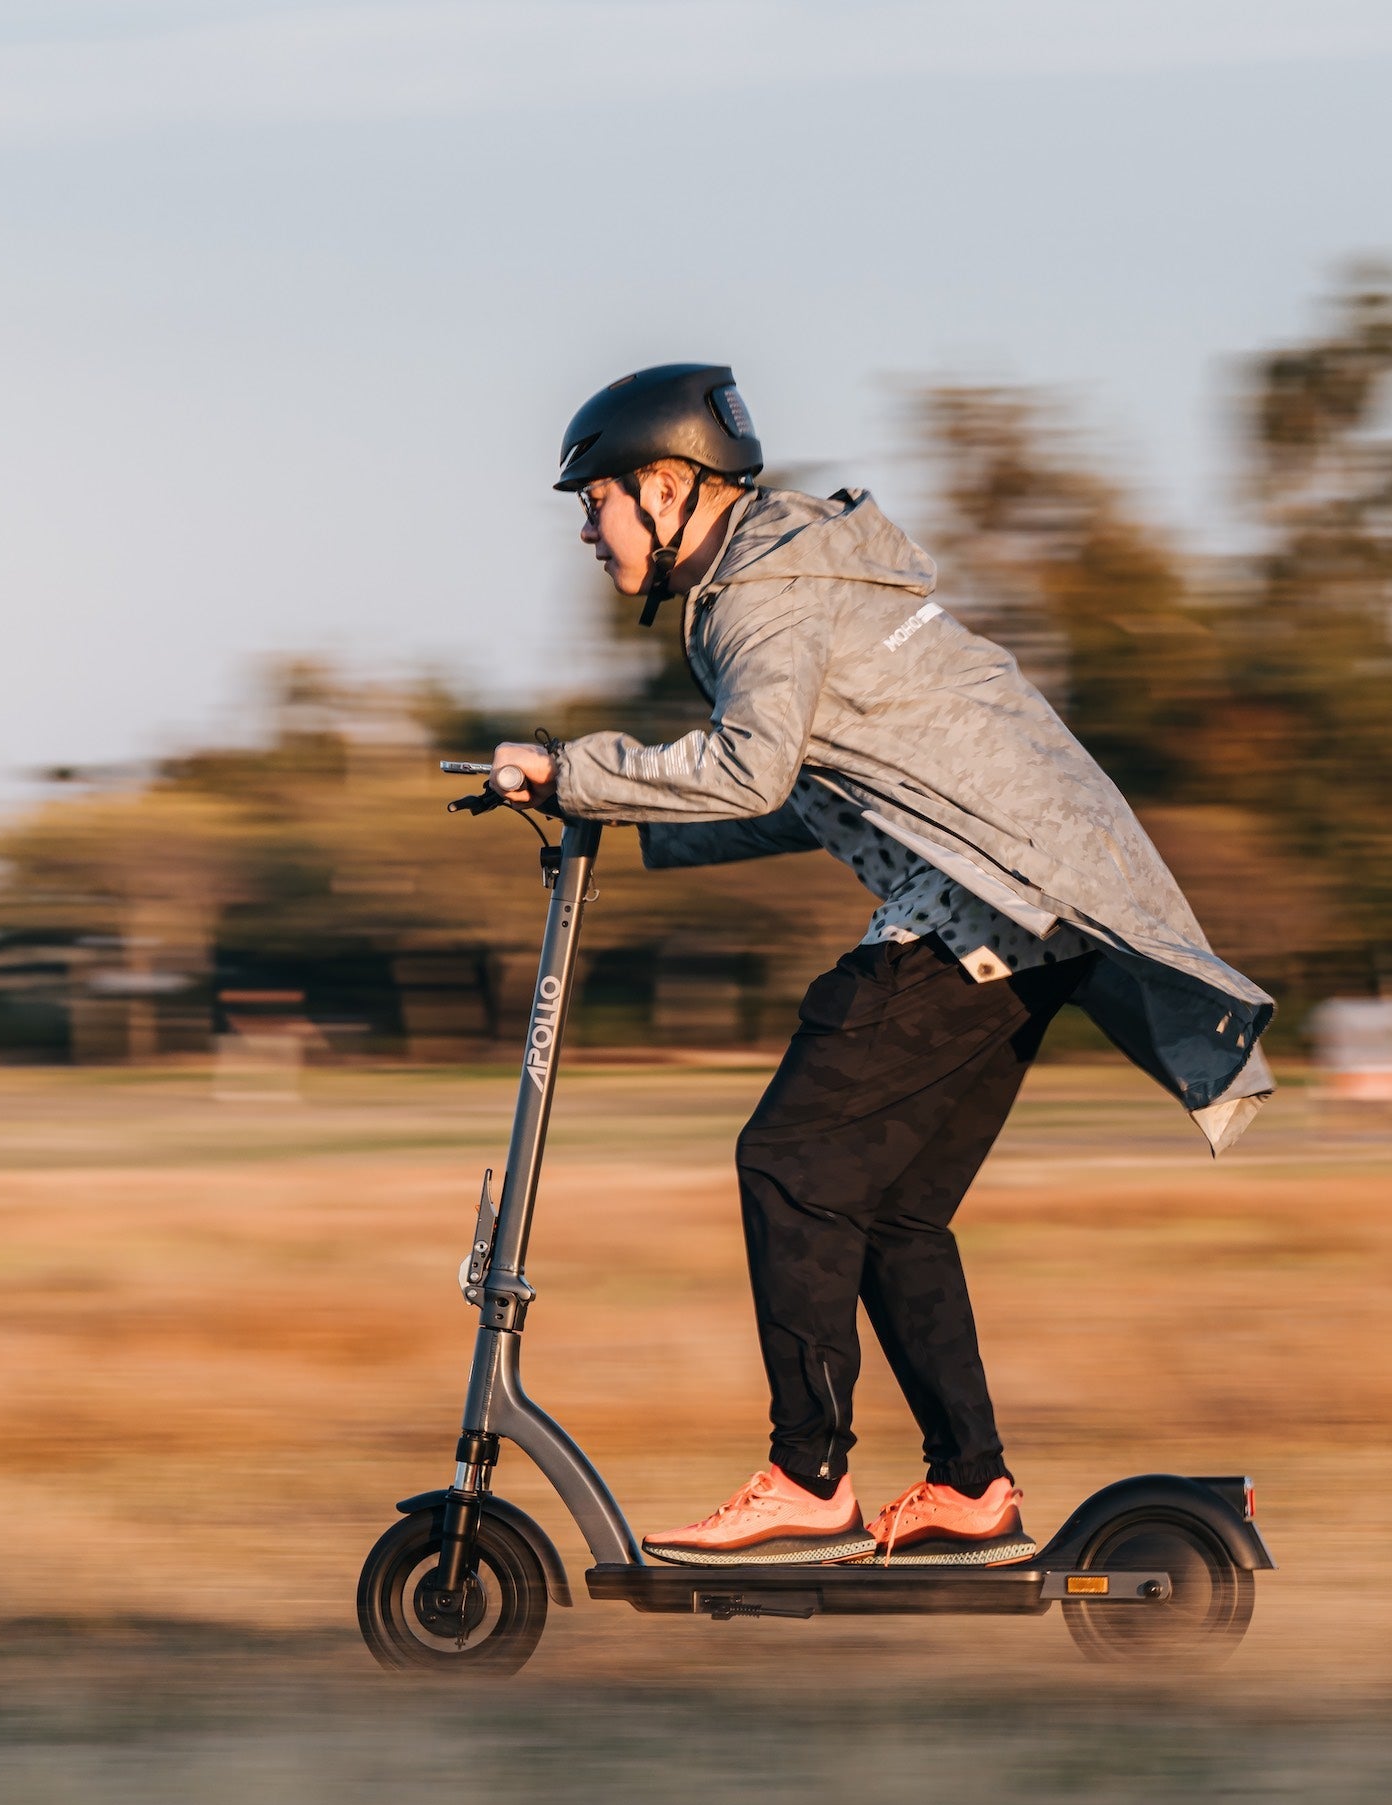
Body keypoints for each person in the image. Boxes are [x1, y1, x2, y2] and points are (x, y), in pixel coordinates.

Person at [489, 363, 1275, 1568]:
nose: (584, 530)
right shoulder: (786, 575)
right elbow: (812, 796)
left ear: (664, 485)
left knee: (789, 1161)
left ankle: (808, 1476)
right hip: (1028, 911)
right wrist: (622, 824)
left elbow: (749, 770)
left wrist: (570, 767)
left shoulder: (764, 600)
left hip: (979, 909)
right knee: (895, 1210)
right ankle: (971, 1487)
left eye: (591, 501)